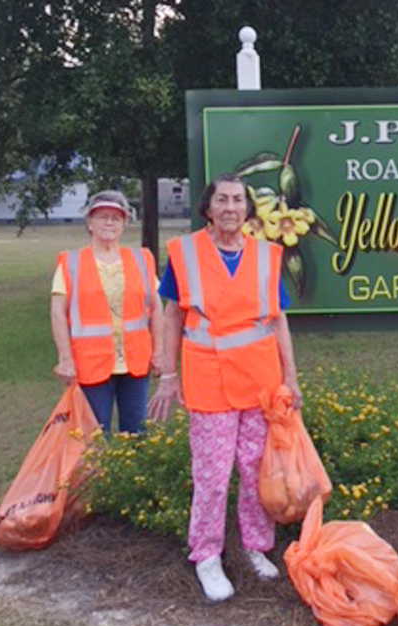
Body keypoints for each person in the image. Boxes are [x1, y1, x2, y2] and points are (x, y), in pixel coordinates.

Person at [147, 174, 302, 602]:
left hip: (260, 384)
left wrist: (290, 378)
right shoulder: (185, 253)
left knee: (255, 474)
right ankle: (207, 555)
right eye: (222, 200)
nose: (231, 207)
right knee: (212, 477)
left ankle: (255, 546)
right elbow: (172, 315)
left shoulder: (267, 256)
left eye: (238, 199)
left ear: (248, 209)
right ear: (208, 208)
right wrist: (167, 375)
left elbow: (278, 320)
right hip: (208, 382)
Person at [50, 190, 163, 434]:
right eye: (102, 216)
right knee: (94, 434)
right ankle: (99, 474)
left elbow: (157, 308)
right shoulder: (71, 263)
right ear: (89, 223)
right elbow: (58, 313)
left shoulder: (141, 259)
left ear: (124, 224)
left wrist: (159, 352)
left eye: (116, 217)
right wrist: (65, 358)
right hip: (91, 364)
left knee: (136, 432)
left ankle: (132, 473)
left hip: (135, 362)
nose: (109, 222)